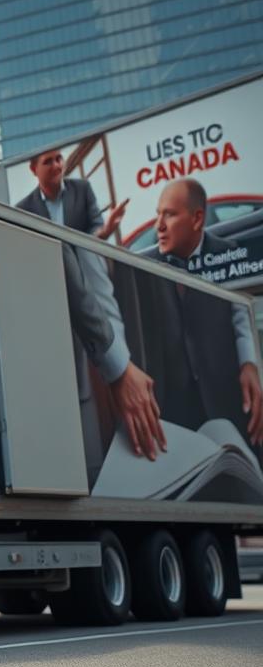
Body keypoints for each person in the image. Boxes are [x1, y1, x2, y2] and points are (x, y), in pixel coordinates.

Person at [16, 148, 165, 477]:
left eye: (59, 158)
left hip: (90, 284)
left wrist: (105, 229)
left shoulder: (81, 191)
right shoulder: (23, 210)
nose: (57, 165)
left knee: (87, 258)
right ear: (33, 169)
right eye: (48, 161)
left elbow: (92, 243)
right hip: (54, 307)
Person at [140, 178, 263, 445]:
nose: (158, 226)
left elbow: (241, 316)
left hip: (228, 401)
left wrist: (249, 365)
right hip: (176, 414)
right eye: (158, 214)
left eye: (169, 214)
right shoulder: (145, 269)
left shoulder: (228, 254)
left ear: (197, 219)